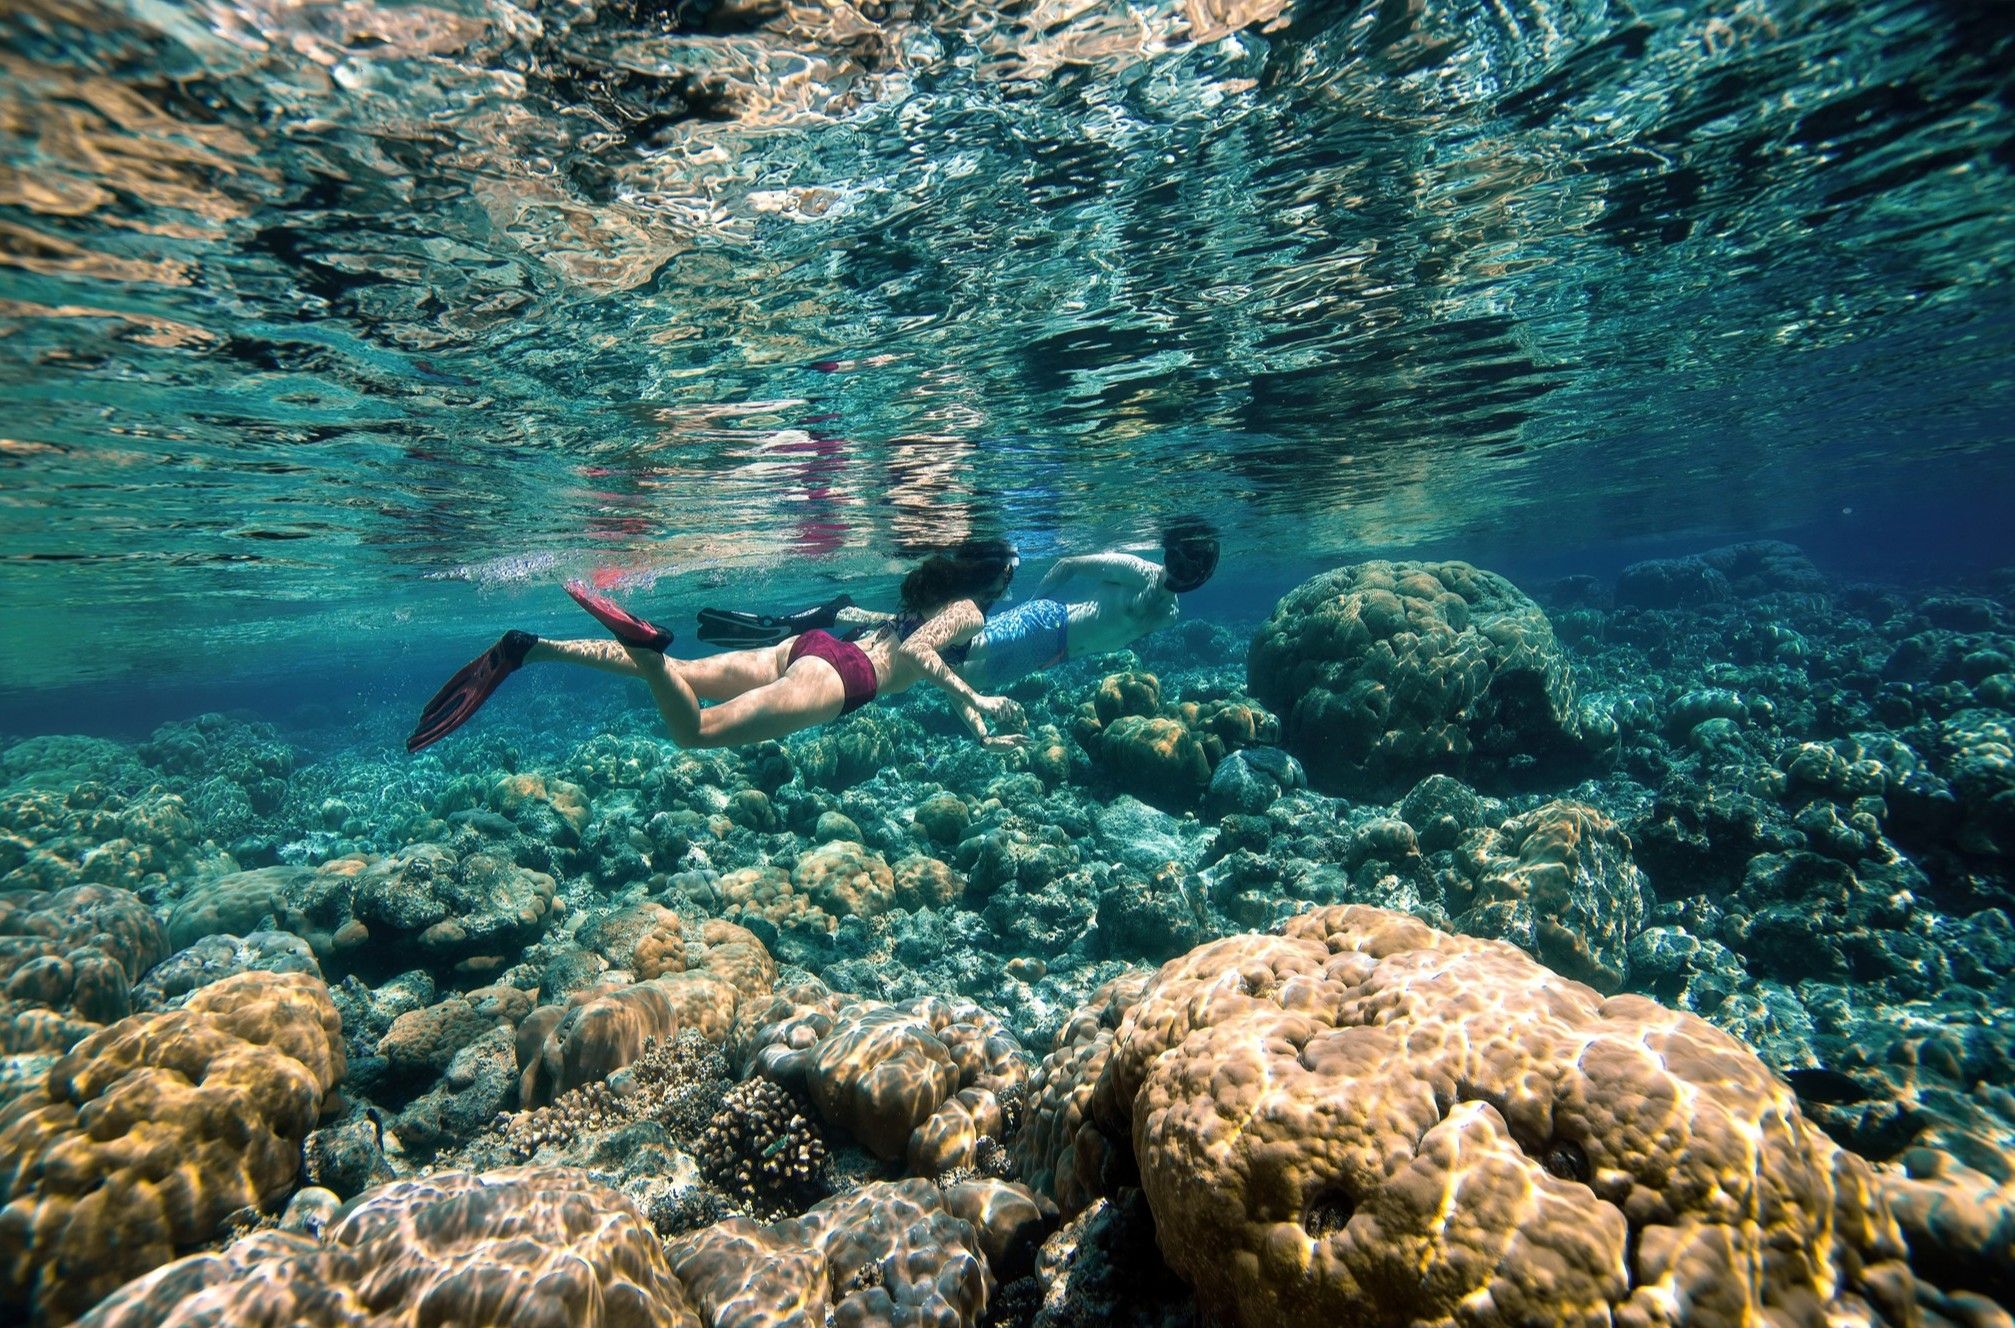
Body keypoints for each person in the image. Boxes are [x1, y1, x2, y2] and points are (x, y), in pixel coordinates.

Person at [406, 541, 1029, 753]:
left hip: (817, 649)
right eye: (1012, 572)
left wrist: (976, 725)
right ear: (997, 579)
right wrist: (982, 694)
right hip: (843, 681)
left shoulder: (936, 597)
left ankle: (529, 648)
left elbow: (896, 634)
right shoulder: (969, 611)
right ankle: (646, 649)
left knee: (681, 672)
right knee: (693, 731)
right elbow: (920, 656)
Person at [697, 518, 1220, 691]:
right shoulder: (1140, 572)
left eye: (1198, 568)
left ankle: (834, 616)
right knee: (923, 660)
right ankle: (809, 631)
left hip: (1048, 654)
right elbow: (1069, 566)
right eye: (1183, 559)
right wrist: (1024, 608)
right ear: (1170, 550)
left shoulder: (1168, 610)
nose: (1186, 573)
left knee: (925, 656)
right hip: (1041, 630)